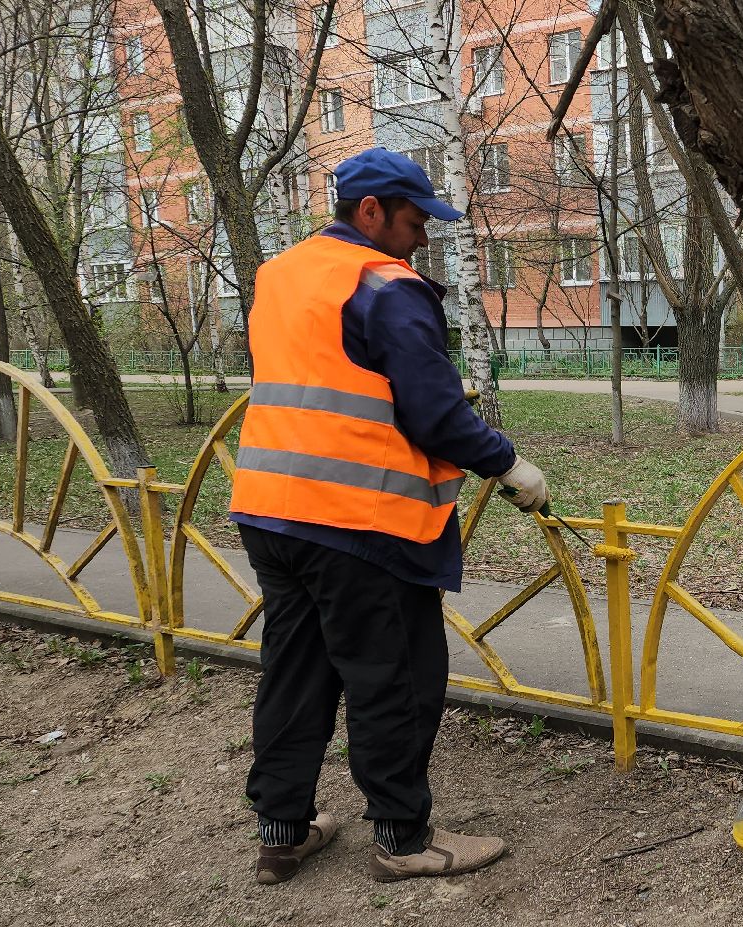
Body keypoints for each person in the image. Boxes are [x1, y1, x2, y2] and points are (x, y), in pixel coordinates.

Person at [227, 147, 550, 886]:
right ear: (369, 211)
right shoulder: (385, 285)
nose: (422, 238)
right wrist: (505, 464)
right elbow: (434, 413)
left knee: (295, 669)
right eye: (413, 221)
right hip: (359, 521)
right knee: (394, 677)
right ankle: (403, 839)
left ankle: (284, 830)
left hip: (272, 510)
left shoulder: (280, 275)